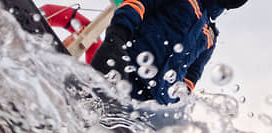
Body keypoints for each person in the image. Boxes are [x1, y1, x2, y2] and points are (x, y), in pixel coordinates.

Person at [90, 0, 249, 105]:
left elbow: (193, 74)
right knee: (96, 109)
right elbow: (139, 3)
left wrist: (179, 103)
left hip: (155, 103)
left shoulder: (210, 37)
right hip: (128, 70)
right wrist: (117, 36)